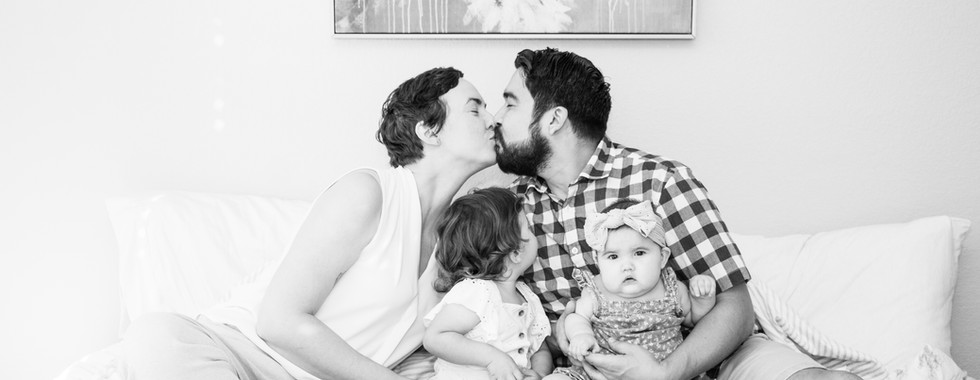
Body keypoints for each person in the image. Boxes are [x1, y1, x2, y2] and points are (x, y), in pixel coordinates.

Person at [492, 47, 862, 380]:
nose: (495, 118)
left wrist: (667, 372)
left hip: (706, 358)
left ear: (554, 120)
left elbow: (735, 307)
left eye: (509, 104)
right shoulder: (512, 210)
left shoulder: (658, 181)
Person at [119, 66, 498, 380]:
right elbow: (277, 323)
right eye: (475, 108)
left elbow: (424, 346)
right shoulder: (368, 193)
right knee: (156, 339)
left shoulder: (458, 238)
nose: (492, 120)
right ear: (429, 131)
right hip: (237, 353)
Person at [545, 199, 717, 380]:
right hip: (599, 374)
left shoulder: (672, 289)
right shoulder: (596, 292)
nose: (627, 266)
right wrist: (581, 335)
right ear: (598, 262)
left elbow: (693, 320)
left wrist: (702, 298)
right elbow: (576, 318)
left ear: (662, 257)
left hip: (661, 372)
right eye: (613, 256)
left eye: (639, 253)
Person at [422, 187, 553, 380]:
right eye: (528, 228)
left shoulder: (527, 296)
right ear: (516, 252)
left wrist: (540, 373)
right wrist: (493, 359)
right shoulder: (477, 291)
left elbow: (541, 348)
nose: (535, 235)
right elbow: (436, 338)